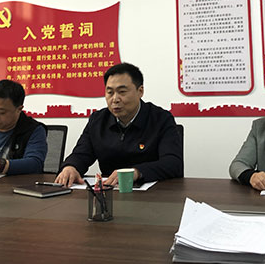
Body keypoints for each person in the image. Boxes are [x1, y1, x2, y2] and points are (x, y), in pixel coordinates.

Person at [55, 62, 183, 187]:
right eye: (110, 92)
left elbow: (173, 163)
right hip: (109, 193)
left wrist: (136, 172)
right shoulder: (98, 120)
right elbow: (81, 154)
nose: (115, 99)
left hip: (153, 194)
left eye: (122, 92)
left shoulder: (161, 119)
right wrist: (71, 167)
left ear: (140, 91)